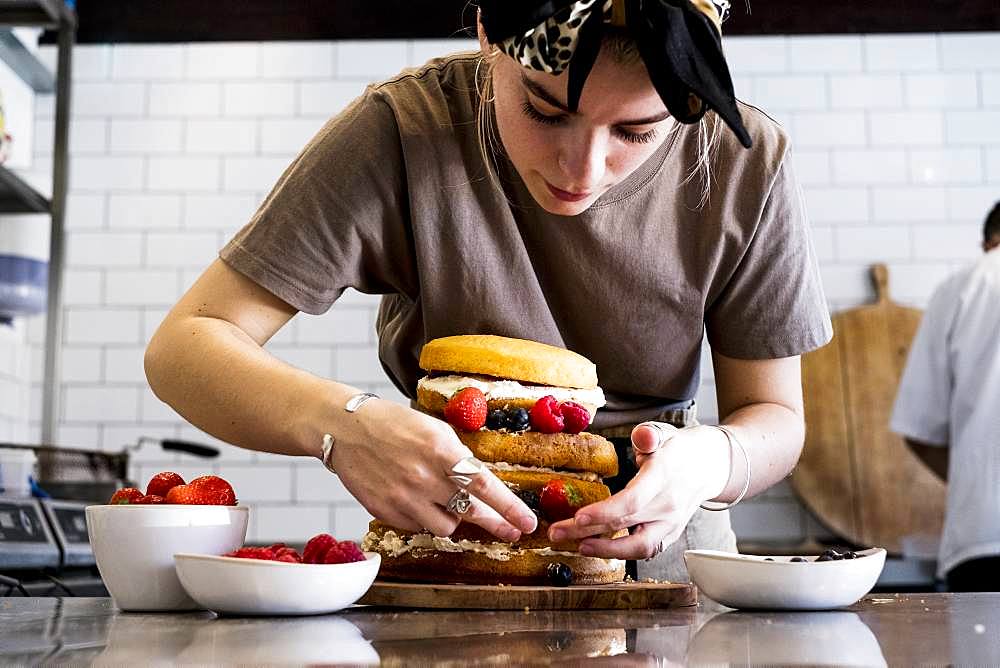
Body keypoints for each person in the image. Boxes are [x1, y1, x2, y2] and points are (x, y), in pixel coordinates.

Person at [144, 0, 832, 582]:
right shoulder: (403, 131)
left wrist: (711, 460)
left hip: (669, 534)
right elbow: (184, 348)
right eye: (544, 110)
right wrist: (342, 425)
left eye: (636, 132)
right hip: (453, 531)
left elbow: (774, 415)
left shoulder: (747, 161)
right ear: (484, 32)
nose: (582, 171)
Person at [891, 201, 1000, 592]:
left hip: (983, 537)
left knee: (985, 654)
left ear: (988, 241)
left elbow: (919, 429)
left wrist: (977, 480)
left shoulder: (962, 288)